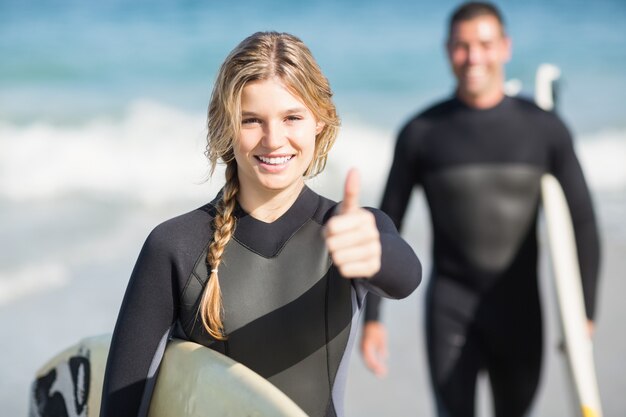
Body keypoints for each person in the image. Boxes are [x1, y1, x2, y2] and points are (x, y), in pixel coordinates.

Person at [99, 31, 421, 417]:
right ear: (226, 127)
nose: (273, 139)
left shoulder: (348, 230)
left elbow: (406, 278)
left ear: (318, 121)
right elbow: (122, 402)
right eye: (251, 120)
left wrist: (375, 253)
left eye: (292, 117)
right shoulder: (176, 245)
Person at [360, 2, 600, 417]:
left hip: (521, 310)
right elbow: (386, 226)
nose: (473, 58)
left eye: (485, 45)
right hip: (450, 309)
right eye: (462, 46)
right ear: (447, 49)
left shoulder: (544, 129)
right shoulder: (421, 133)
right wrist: (373, 316)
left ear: (505, 47)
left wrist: (586, 312)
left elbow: (583, 221)